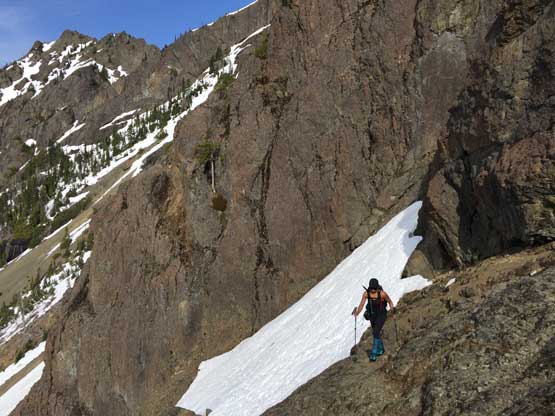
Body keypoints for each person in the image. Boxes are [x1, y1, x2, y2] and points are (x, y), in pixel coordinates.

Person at [352, 278, 395, 361]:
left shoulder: (382, 294)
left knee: (375, 331)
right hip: (372, 315)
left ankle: (374, 353)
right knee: (376, 332)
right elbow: (361, 304)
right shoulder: (366, 294)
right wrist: (357, 313)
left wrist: (393, 310)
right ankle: (381, 349)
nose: (373, 290)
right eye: (371, 288)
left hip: (382, 314)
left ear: (377, 287)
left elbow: (389, 301)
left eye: (374, 288)